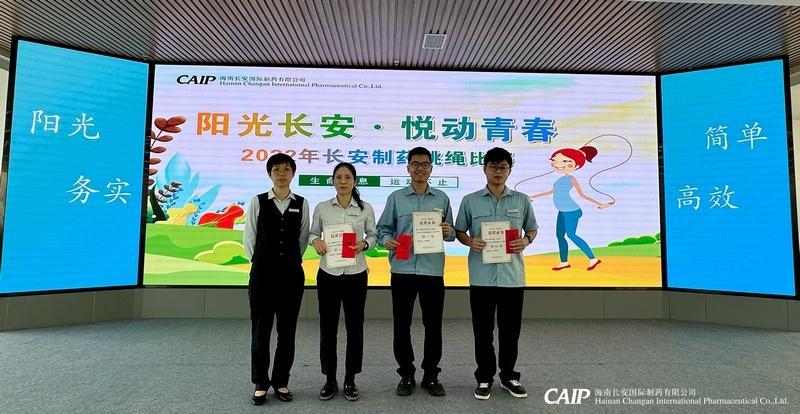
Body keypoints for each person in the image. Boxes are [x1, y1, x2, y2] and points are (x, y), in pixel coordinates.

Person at [454, 147, 538, 400]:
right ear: (485, 169)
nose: (498, 171)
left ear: (509, 171)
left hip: (512, 277)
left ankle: (509, 376)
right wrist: (471, 242)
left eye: (503, 167)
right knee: (483, 332)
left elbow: (532, 229)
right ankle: (484, 377)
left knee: (510, 332)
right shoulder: (470, 200)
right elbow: (459, 231)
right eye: (493, 166)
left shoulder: (521, 200)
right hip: (482, 277)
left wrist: (525, 241)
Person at [377, 147, 455, 397]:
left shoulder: (441, 198)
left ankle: (431, 374)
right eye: (415, 164)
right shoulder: (396, 198)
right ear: (408, 168)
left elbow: (452, 233)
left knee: (433, 326)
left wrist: (448, 231)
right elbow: (382, 229)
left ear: (431, 168)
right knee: (402, 325)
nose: (420, 168)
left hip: (432, 271)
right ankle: (406, 374)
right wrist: (386, 241)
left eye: (424, 164)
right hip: (402, 269)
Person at [243, 153, 310, 405]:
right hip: (262, 274)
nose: (281, 174)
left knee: (287, 331)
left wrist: (289, 260)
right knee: (261, 330)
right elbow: (250, 238)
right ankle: (260, 383)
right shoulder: (258, 201)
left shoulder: (301, 203)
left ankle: (281, 381)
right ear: (269, 174)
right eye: (276, 170)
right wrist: (262, 261)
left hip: (291, 275)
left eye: (286, 169)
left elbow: (302, 239)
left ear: (293, 174)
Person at [309, 162, 377, 401]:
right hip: (328, 273)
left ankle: (350, 379)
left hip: (356, 273)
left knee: (354, 328)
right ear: (333, 181)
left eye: (348, 177)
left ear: (354, 181)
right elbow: (312, 233)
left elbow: (373, 235)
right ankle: (330, 379)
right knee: (327, 328)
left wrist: (365, 244)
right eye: (338, 177)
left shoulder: (365, 208)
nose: (343, 181)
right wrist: (316, 241)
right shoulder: (322, 207)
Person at [529, 146, 612, 271]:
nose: (558, 164)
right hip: (562, 211)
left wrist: (599, 203)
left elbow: (582, 195)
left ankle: (593, 258)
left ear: (576, 166)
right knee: (560, 235)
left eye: (565, 161)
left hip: (572, 211)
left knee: (571, 235)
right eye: (555, 160)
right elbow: (551, 191)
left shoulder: (571, 179)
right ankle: (564, 262)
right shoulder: (561, 179)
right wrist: (531, 197)